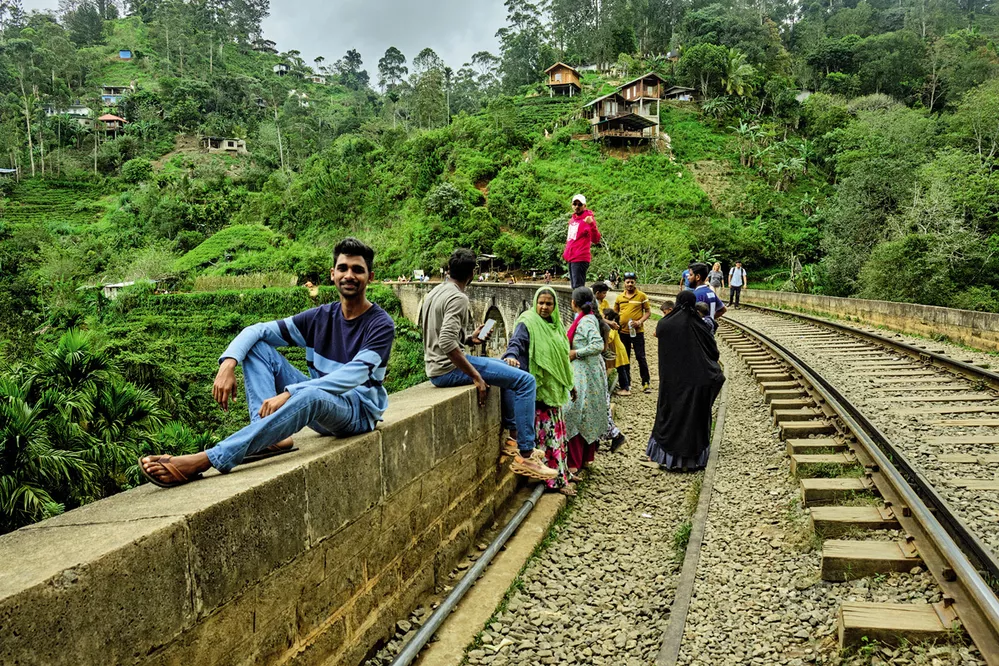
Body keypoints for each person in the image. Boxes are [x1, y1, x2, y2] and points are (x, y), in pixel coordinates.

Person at [139, 238, 396, 488]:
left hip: (356, 412)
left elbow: (353, 376)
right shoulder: (320, 317)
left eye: (357, 270)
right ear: (332, 274)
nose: (349, 275)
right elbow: (258, 330)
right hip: (320, 407)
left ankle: (207, 459)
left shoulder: (380, 324)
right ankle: (270, 438)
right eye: (343, 268)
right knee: (257, 348)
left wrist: (289, 392)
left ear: (369, 277)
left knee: (313, 394)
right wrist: (228, 363)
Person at [420, 248, 556, 481]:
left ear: (449, 269)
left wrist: (468, 339)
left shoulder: (436, 292)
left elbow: (437, 334)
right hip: (447, 370)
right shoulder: (458, 297)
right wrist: (475, 375)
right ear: (472, 273)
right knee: (526, 381)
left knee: (508, 368)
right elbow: (444, 341)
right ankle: (525, 453)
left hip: (435, 366)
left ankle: (513, 440)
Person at [502, 287, 577, 494]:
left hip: (555, 391)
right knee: (547, 438)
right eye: (541, 303)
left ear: (555, 307)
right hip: (539, 392)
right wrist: (511, 355)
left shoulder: (556, 326)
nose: (544, 307)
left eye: (549, 304)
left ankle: (563, 474)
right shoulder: (528, 321)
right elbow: (516, 343)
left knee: (558, 436)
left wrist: (570, 384)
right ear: (535, 303)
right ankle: (553, 481)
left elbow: (562, 359)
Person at [647, 290, 725, 471]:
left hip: (671, 383)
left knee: (670, 417)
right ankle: (692, 461)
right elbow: (714, 353)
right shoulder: (700, 326)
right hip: (697, 382)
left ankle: (668, 459)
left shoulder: (664, 324)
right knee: (694, 418)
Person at [563, 287, 611, 474]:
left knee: (574, 411)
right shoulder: (588, 318)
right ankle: (585, 458)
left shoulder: (585, 322)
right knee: (586, 410)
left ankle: (574, 462)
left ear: (573, 303)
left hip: (585, 371)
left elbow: (598, 344)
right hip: (590, 370)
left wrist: (576, 353)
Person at [613, 272, 652, 395]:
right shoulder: (619, 297)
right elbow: (615, 313)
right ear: (624, 283)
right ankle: (627, 383)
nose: (630, 284)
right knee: (626, 358)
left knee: (641, 357)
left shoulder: (641, 296)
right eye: (627, 282)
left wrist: (639, 321)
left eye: (632, 282)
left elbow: (648, 312)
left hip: (637, 332)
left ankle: (645, 383)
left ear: (635, 282)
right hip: (623, 332)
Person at [601, 309, 629, 452]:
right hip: (618, 351)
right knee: (622, 370)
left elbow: (609, 338)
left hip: (617, 351)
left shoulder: (610, 328)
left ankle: (626, 387)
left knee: (622, 370)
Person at [563, 194, 601, 289]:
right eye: (574, 204)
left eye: (579, 204)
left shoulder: (588, 219)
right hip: (571, 258)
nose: (577, 206)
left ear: (584, 206)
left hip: (580, 257)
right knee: (574, 287)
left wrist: (591, 224)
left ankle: (582, 304)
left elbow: (596, 239)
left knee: (578, 288)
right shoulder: (572, 220)